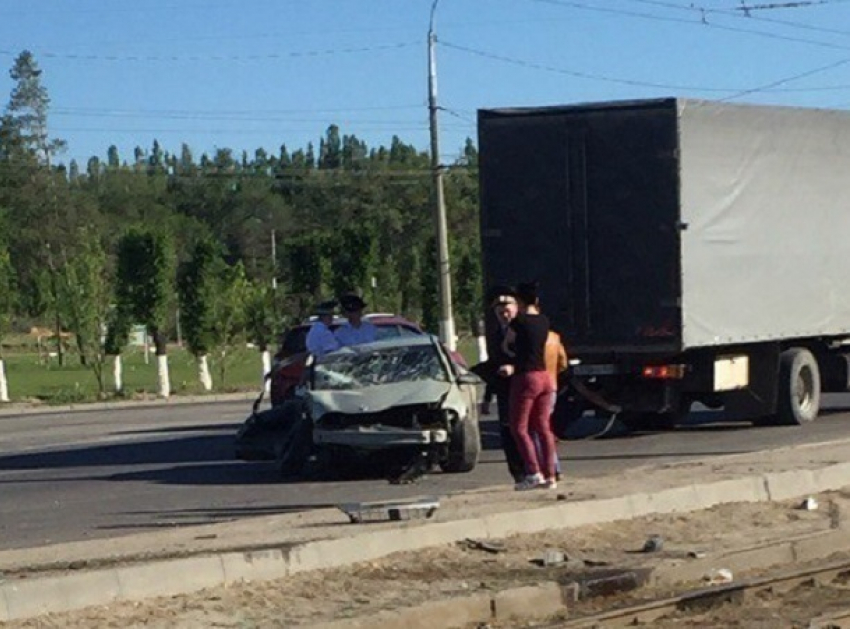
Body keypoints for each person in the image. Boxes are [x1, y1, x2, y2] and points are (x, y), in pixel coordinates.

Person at [502, 281, 558, 490]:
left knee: (519, 428)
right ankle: (550, 474)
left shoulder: (519, 322)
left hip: (526, 377)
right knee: (543, 427)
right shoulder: (544, 321)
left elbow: (507, 344)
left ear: (520, 301)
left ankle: (533, 472)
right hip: (545, 377)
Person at [477, 287, 526, 483]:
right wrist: (487, 397)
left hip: (524, 386)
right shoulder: (497, 334)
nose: (504, 315)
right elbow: (493, 363)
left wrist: (514, 368)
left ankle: (535, 470)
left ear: (517, 308)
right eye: (499, 312)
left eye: (507, 310)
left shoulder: (525, 330)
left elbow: (533, 358)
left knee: (526, 431)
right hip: (504, 390)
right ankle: (518, 475)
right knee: (507, 432)